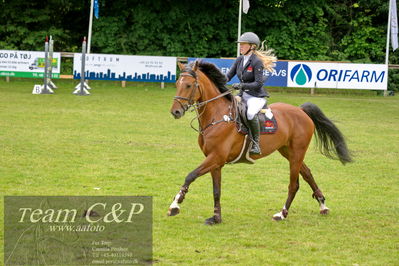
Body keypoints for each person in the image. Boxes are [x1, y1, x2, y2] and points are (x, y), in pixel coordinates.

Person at [226, 32, 277, 154]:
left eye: (243, 45)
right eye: (240, 44)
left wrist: (241, 85)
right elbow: (228, 76)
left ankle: (256, 143)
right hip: (242, 95)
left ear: (252, 46)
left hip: (256, 96)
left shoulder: (256, 61)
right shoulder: (239, 60)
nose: (240, 47)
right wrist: (217, 81)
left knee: (250, 113)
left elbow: (258, 83)